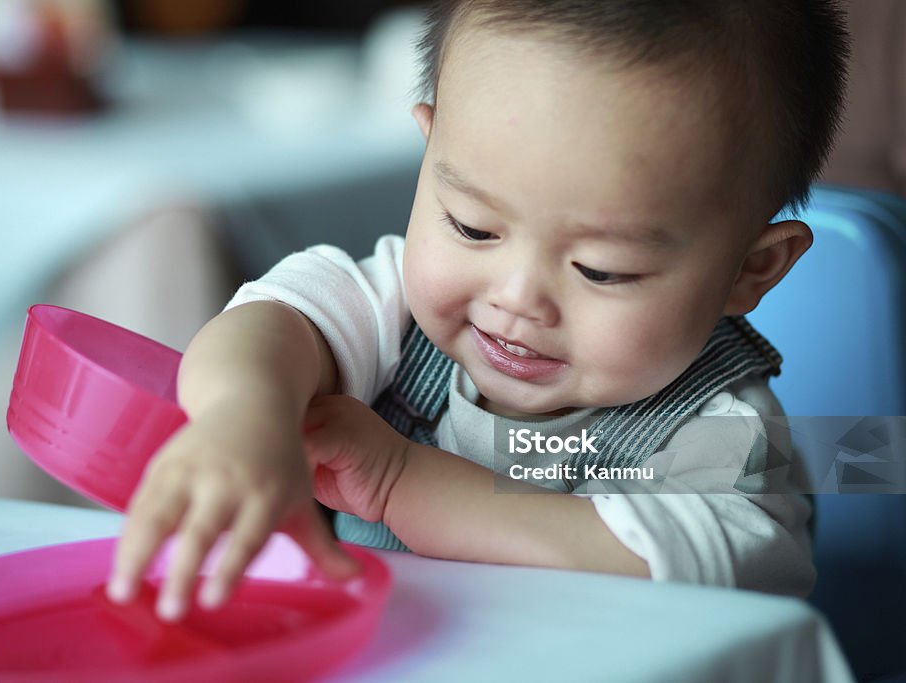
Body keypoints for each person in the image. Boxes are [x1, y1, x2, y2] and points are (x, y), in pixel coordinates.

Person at [107, 0, 850, 622]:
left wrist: (403, 481)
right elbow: (275, 319)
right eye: (472, 226)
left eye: (603, 268)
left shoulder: (726, 433)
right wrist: (244, 413)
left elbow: (670, 562)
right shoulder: (399, 308)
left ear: (749, 270)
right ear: (429, 157)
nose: (516, 296)